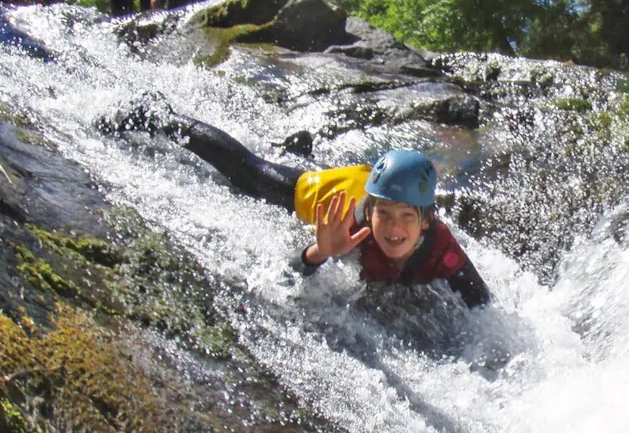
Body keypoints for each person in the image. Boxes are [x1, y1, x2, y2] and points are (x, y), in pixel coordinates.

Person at [98, 95, 491, 308]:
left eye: (406, 217)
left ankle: (301, 151)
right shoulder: (351, 223)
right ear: (371, 214)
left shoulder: (444, 251)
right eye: (384, 215)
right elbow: (283, 281)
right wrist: (319, 251)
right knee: (252, 177)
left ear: (425, 223)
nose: (392, 227)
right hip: (348, 188)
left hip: (373, 185)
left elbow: (482, 306)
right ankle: (162, 117)